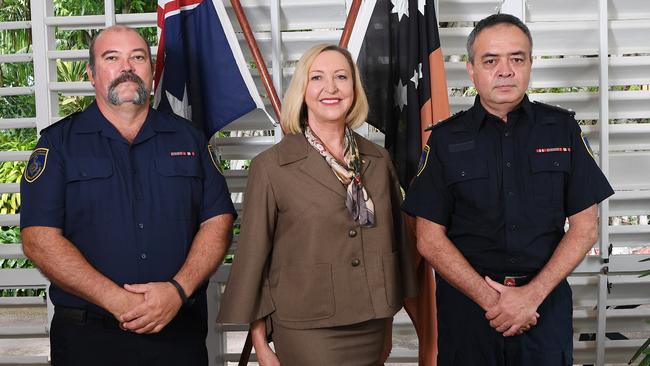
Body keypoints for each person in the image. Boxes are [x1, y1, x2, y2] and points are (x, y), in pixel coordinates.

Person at [402, 13, 614, 365]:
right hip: (469, 315)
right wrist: (494, 302)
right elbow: (428, 239)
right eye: (491, 60)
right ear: (471, 70)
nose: (505, 70)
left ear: (530, 64)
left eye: (517, 58)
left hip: (543, 310)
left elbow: (585, 227)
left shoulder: (562, 131)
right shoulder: (444, 140)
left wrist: (530, 297)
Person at [20, 25, 236, 366]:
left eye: (138, 57)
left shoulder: (190, 140)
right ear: (91, 73)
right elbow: (38, 239)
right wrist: (117, 301)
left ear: (151, 71)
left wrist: (177, 290)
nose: (127, 67)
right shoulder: (58, 144)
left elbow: (218, 221)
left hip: (177, 333)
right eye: (112, 58)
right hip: (88, 340)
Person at [217, 44, 417, 366]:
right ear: (303, 90)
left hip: (372, 323)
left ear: (354, 88)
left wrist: (389, 315)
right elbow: (254, 257)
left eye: (341, 77)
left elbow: (395, 244)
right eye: (317, 78)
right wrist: (259, 341)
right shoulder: (271, 167)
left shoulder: (378, 160)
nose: (331, 88)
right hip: (307, 326)